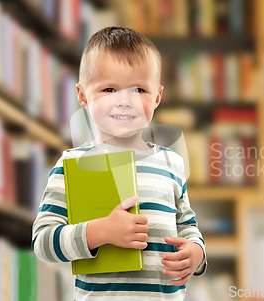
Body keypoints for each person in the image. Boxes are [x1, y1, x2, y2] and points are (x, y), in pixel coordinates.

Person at [31, 26, 207, 300]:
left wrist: (196, 254)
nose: (124, 101)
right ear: (82, 96)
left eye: (138, 89)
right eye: (109, 88)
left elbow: (187, 224)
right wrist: (100, 232)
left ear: (157, 97)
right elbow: (43, 241)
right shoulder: (72, 164)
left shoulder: (171, 163)